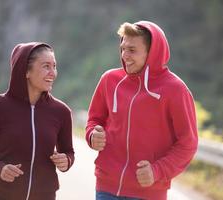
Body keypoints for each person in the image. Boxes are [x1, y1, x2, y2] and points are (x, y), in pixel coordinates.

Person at [85, 21, 198, 200]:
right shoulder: (109, 80)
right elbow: (94, 120)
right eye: (123, 48)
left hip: (148, 193)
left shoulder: (175, 90)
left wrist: (157, 171)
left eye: (132, 50)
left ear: (151, 52)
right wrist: (93, 135)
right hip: (106, 189)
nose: (124, 55)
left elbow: (188, 143)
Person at [0, 42, 75, 200]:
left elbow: (68, 152)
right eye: (46, 66)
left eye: (54, 66)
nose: (53, 73)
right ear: (26, 70)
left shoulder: (61, 112)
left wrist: (66, 161)